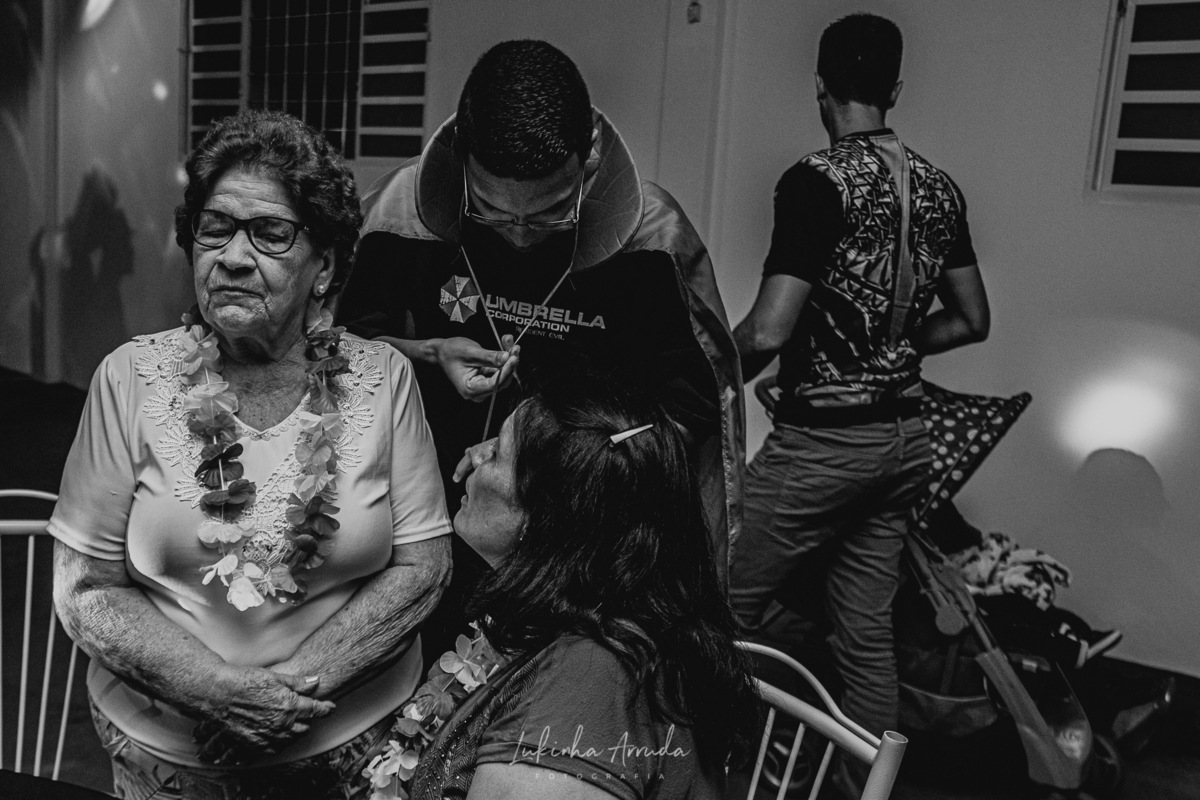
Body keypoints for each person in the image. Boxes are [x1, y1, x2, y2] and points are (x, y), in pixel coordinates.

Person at [49, 109, 453, 799]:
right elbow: (85, 589)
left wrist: (280, 699)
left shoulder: (382, 379)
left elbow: (423, 569)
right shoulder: (129, 378)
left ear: (325, 267)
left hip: (351, 756)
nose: (234, 256)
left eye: (270, 233)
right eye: (216, 227)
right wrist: (216, 692)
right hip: (168, 765)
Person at [337, 41, 743, 620]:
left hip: (585, 543)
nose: (521, 234)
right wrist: (429, 351)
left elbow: (690, 409)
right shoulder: (402, 214)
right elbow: (340, 352)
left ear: (591, 158)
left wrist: (558, 461)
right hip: (427, 514)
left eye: (552, 212)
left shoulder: (650, 240)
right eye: (493, 211)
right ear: (461, 160)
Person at [728, 12, 990, 791]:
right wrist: (885, 353)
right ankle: (862, 791)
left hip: (826, 449)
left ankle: (698, 772)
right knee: (865, 640)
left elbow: (769, 329)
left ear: (819, 85)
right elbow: (972, 320)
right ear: (895, 89)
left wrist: (699, 376)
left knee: (712, 604)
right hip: (904, 441)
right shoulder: (940, 189)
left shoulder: (816, 180)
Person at [406, 371, 759, 800]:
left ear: (545, 521)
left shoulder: (584, 685)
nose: (474, 455)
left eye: (496, 453)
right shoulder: (583, 614)